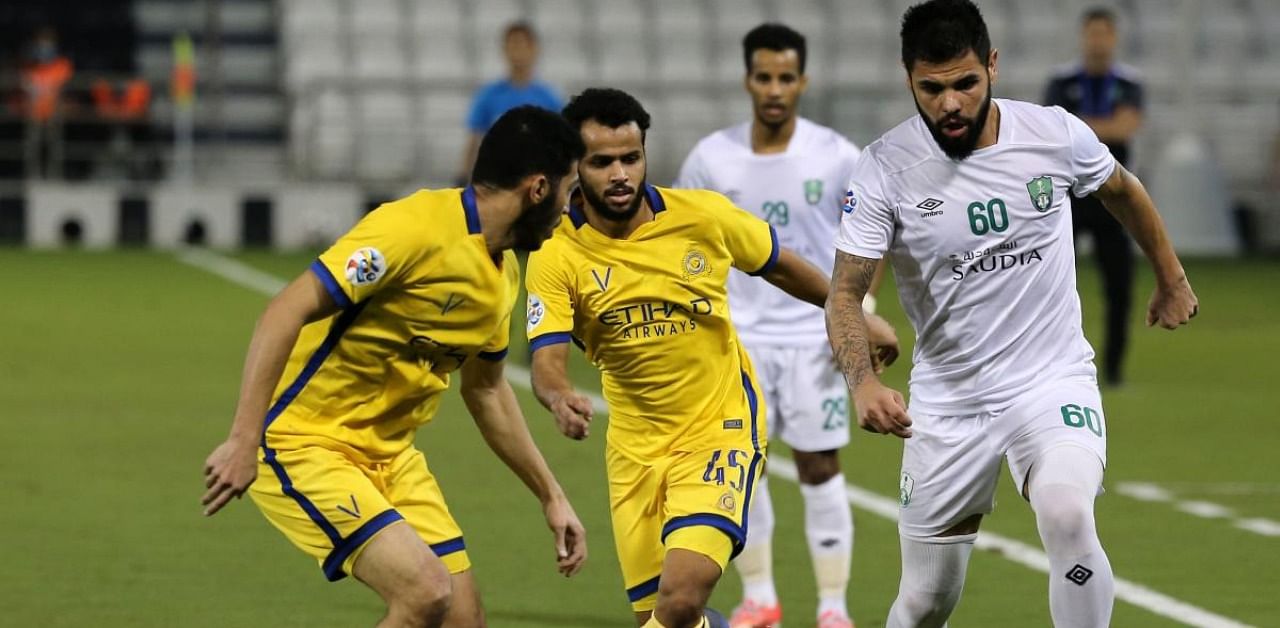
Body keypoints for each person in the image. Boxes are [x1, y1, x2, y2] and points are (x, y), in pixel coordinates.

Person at [824, 1, 1199, 627]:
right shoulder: (886, 168)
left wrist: (1171, 277)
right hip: (948, 401)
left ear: (992, 66)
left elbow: (1121, 190)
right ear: (907, 77)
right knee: (925, 600)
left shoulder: (1053, 133)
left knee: (1067, 513)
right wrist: (861, 383)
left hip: (1050, 379)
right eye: (932, 87)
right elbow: (843, 291)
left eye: (966, 83)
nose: (950, 103)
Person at [201, 106, 588, 628]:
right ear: (538, 189)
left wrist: (551, 495)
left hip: (391, 458)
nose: (569, 209)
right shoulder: (412, 229)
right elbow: (283, 311)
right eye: (568, 191)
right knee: (425, 592)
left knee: (464, 618)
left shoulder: (504, 274)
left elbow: (488, 391)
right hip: (304, 442)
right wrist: (244, 439)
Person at [527, 87, 897, 628]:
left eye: (631, 157)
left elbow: (780, 264)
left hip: (719, 428)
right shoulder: (557, 256)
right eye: (602, 162)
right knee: (664, 616)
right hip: (634, 450)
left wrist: (856, 317)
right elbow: (546, 359)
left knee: (680, 599)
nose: (621, 174)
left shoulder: (699, 217)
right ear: (573, 166)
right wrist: (559, 396)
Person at [675, 23, 878, 628]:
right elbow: (684, 243)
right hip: (737, 341)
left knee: (820, 466)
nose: (774, 88)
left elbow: (871, 234)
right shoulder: (711, 158)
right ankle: (760, 598)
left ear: (802, 81)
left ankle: (833, 609)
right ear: (747, 80)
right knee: (745, 468)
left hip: (815, 337)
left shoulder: (837, 155)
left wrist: (859, 311)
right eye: (763, 76)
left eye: (786, 77)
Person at [1044, 7, 1145, 387]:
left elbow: (1127, 127)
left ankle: (1114, 371)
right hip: (1068, 196)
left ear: (1113, 38)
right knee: (1049, 282)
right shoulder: (1062, 80)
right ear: (1084, 37)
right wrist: (1103, 127)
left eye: (1105, 34)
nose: (1098, 41)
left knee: (1119, 287)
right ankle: (1049, 364)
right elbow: (1054, 132)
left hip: (1113, 196)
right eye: (1093, 34)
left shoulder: (1130, 82)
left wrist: (1079, 125)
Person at [455, 21, 563, 186]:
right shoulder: (488, 96)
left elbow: (561, 142)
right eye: (513, 45)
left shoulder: (549, 98)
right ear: (504, 50)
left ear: (534, 49)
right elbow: (474, 138)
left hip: (537, 180)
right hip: (497, 180)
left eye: (522, 45)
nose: (517, 52)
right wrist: (462, 176)